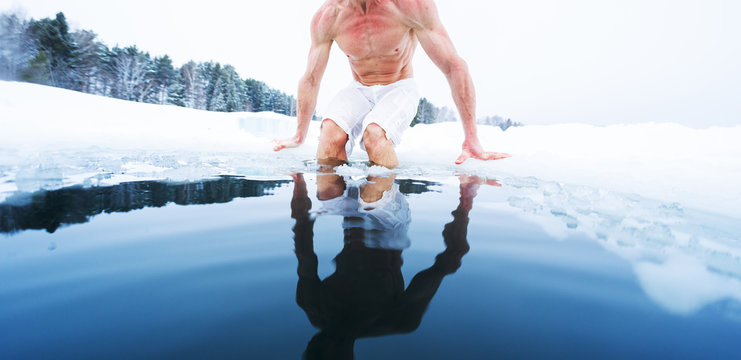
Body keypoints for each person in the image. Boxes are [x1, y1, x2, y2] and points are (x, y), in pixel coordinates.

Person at [273, 0, 511, 169]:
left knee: (375, 136)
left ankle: (383, 222)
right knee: (329, 134)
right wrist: (299, 134)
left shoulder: (409, 5)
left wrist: (472, 138)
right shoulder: (328, 17)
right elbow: (311, 79)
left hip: (399, 86)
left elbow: (454, 66)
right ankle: (340, 210)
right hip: (359, 88)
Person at [288, 172, 494, 359]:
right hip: (390, 221)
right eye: (329, 356)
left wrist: (298, 181)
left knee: (328, 191)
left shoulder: (314, 304)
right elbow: (448, 263)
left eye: (316, 353)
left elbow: (303, 244)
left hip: (352, 216)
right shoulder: (395, 319)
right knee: (370, 196)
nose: (325, 348)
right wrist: (465, 203)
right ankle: (467, 188)